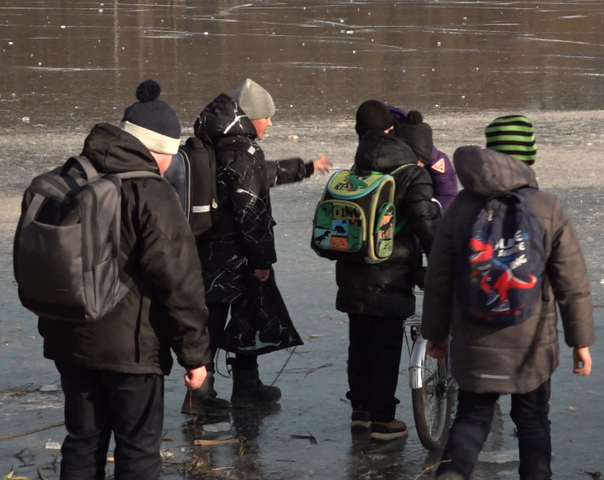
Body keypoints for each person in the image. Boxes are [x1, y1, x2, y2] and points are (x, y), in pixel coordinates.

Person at [36, 79, 212, 479]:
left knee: (82, 441)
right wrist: (195, 354)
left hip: (70, 340)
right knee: (137, 450)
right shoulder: (152, 192)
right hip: (132, 350)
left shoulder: (70, 176)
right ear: (158, 150)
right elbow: (178, 282)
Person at [421, 115, 594, 480]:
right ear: (529, 155)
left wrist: (435, 333)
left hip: (473, 339)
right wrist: (580, 341)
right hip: (532, 343)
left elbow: (438, 279)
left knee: (470, 418)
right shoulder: (548, 207)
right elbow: (572, 283)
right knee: (532, 421)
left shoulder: (461, 208)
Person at [182, 78, 331, 415]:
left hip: (206, 249)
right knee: (217, 323)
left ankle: (244, 386)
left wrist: (305, 167)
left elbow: (265, 174)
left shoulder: (216, 144)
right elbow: (252, 211)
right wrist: (262, 259)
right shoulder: (243, 151)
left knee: (237, 316)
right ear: (252, 117)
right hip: (236, 255)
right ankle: (200, 397)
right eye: (268, 116)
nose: (271, 123)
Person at [336, 100, 440, 441]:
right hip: (392, 273)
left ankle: (360, 412)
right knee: (384, 344)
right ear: (394, 131)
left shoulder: (358, 167)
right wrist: (439, 264)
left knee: (359, 343)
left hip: (353, 269)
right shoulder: (412, 171)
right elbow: (426, 224)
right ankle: (383, 419)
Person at [389, 106, 458, 212]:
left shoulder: (439, 163)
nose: (418, 163)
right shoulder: (392, 160)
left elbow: (448, 195)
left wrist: (431, 214)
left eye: (420, 161)